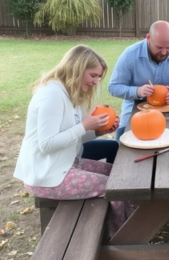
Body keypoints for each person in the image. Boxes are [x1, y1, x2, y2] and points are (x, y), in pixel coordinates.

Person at [13, 45, 132, 236]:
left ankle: (131, 228)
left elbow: (73, 136)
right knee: (116, 189)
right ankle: (121, 238)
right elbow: (47, 144)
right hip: (47, 176)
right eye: (93, 75)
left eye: (98, 77)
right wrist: (85, 125)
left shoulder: (69, 93)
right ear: (77, 68)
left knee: (122, 179)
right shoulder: (51, 95)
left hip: (65, 166)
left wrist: (97, 131)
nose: (95, 82)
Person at [109, 21, 169, 139]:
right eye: (159, 47)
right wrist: (137, 91)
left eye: (168, 47)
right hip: (134, 113)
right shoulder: (130, 54)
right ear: (148, 38)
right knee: (122, 148)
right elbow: (113, 87)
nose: (164, 52)